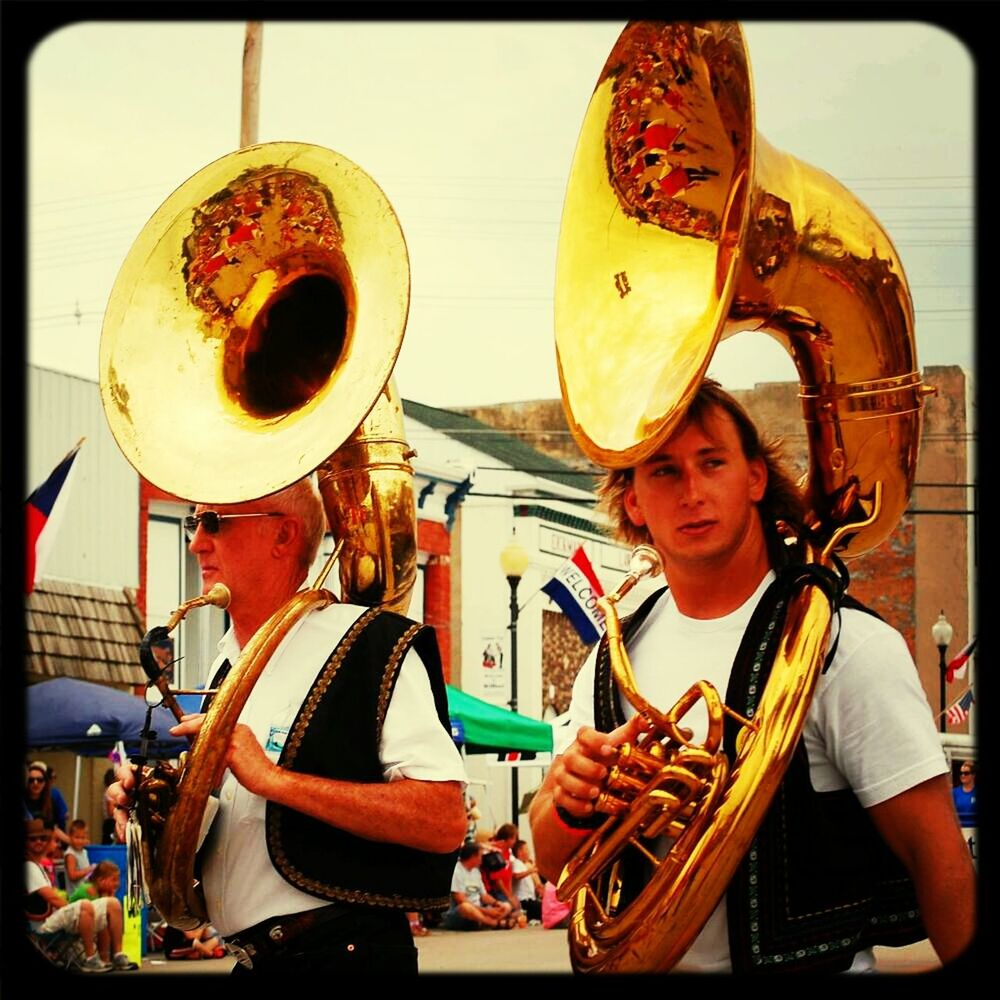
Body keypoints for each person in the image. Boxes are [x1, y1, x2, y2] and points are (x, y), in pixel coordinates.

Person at [529, 378, 976, 973]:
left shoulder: (845, 645)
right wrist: (569, 798)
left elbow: (936, 858)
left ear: (756, 479)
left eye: (712, 463)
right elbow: (552, 860)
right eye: (663, 471)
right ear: (633, 502)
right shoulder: (614, 656)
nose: (692, 491)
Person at [110, 476, 468, 976]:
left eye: (214, 522)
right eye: (194, 522)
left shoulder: (369, 643)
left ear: (283, 536)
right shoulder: (224, 666)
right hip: (259, 959)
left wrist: (273, 778)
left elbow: (444, 819)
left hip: (341, 955)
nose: (196, 541)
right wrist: (158, 805)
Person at [25, 819, 126, 973]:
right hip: (43, 926)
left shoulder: (39, 864)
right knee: (84, 905)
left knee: (113, 904)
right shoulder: (28, 866)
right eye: (32, 839)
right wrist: (76, 910)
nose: (39, 842)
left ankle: (117, 955)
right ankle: (90, 959)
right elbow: (52, 898)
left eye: (42, 838)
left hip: (55, 917)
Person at [440, 842, 515, 930]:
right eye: (480, 856)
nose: (481, 859)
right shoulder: (456, 871)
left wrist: (497, 903)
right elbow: (460, 900)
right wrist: (487, 911)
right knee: (465, 907)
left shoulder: (476, 871)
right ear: (473, 856)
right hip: (459, 912)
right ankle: (494, 923)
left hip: (479, 910)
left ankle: (482, 922)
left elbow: (484, 896)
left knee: (506, 906)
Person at [24, 761, 69, 845]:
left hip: (46, 846)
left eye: (40, 780)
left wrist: (72, 842)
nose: (35, 783)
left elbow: (56, 827)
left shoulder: (52, 799)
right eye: (31, 780)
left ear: (45, 782)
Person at [510, 840, 543, 922]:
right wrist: (531, 871)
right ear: (519, 852)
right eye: (526, 849)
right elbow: (516, 876)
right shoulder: (516, 863)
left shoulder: (524, 865)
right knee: (544, 909)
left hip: (531, 900)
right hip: (524, 902)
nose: (529, 852)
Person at [64, 819, 97, 899]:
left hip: (84, 893)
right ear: (70, 837)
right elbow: (72, 875)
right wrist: (88, 870)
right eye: (77, 837)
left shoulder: (84, 852)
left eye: (83, 838)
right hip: (75, 895)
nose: (80, 841)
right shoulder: (71, 855)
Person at [953, 760, 978, 826]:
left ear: (973, 775)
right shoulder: (954, 792)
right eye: (961, 773)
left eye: (966, 773)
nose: (963, 775)